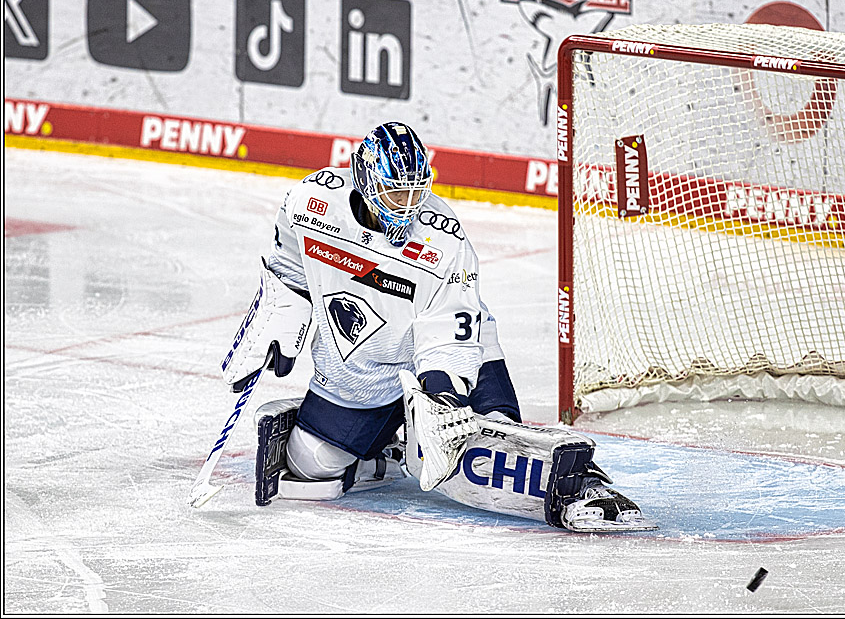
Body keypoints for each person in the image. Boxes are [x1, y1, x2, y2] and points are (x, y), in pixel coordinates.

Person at [220, 122, 654, 532]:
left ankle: (582, 486)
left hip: (446, 354)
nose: (408, 206)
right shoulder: (311, 202)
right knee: (311, 468)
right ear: (365, 182)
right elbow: (288, 267)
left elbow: (449, 325)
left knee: (483, 450)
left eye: (415, 193)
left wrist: (442, 396)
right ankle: (386, 448)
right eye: (395, 195)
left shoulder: (442, 237)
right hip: (362, 366)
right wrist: (278, 321)